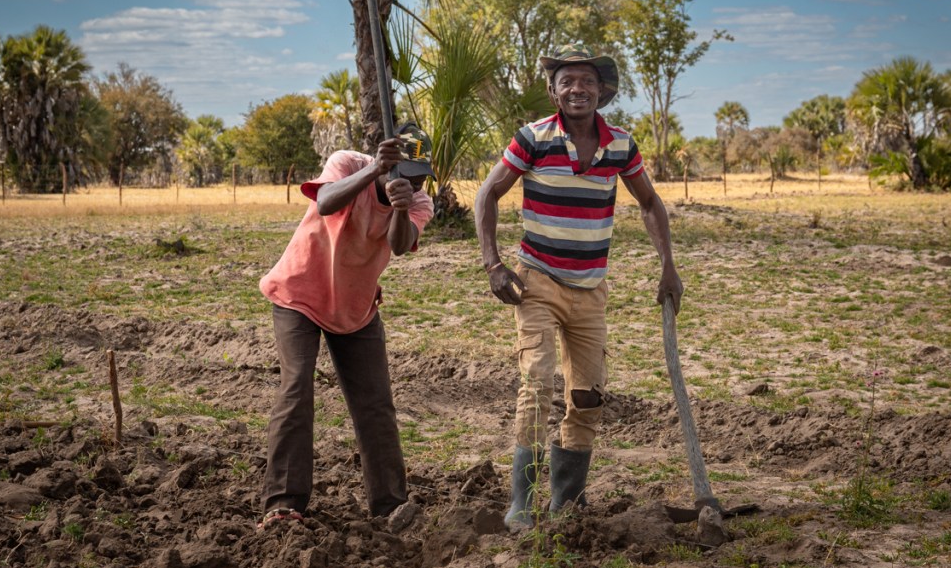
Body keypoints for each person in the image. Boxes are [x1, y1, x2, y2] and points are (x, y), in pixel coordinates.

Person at [474, 44, 683, 531]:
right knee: (537, 383)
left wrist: (668, 266)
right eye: (566, 81)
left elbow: (649, 203)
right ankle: (521, 504)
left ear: (602, 91)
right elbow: (488, 193)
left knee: (588, 396)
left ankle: (567, 505)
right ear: (553, 92)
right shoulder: (533, 138)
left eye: (587, 81)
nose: (577, 89)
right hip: (537, 282)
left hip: (591, 289)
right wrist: (493, 264)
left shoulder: (621, 145)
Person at [256, 129, 435, 531]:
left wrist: (400, 208)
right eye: (407, 174)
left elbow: (401, 245)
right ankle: (283, 504)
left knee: (376, 404)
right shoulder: (348, 163)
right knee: (296, 389)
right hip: (299, 294)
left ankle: (390, 506)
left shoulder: (420, 202)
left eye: (421, 177)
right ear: (387, 163)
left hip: (356, 306)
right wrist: (373, 171)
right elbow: (324, 202)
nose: (414, 185)